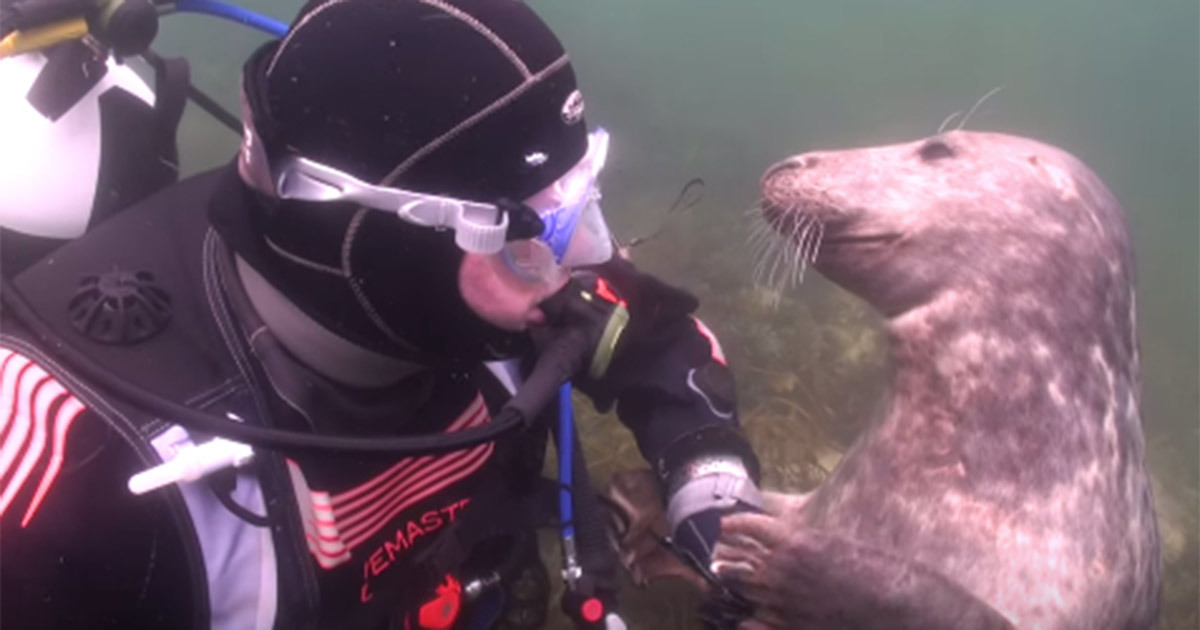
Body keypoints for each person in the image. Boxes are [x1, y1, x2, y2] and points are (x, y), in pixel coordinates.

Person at [0, 0, 763, 628]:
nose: (584, 258)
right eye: (528, 232)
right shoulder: (69, 465)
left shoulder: (502, 294)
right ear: (364, 239)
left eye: (576, 200)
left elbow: (659, 342)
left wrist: (712, 487)